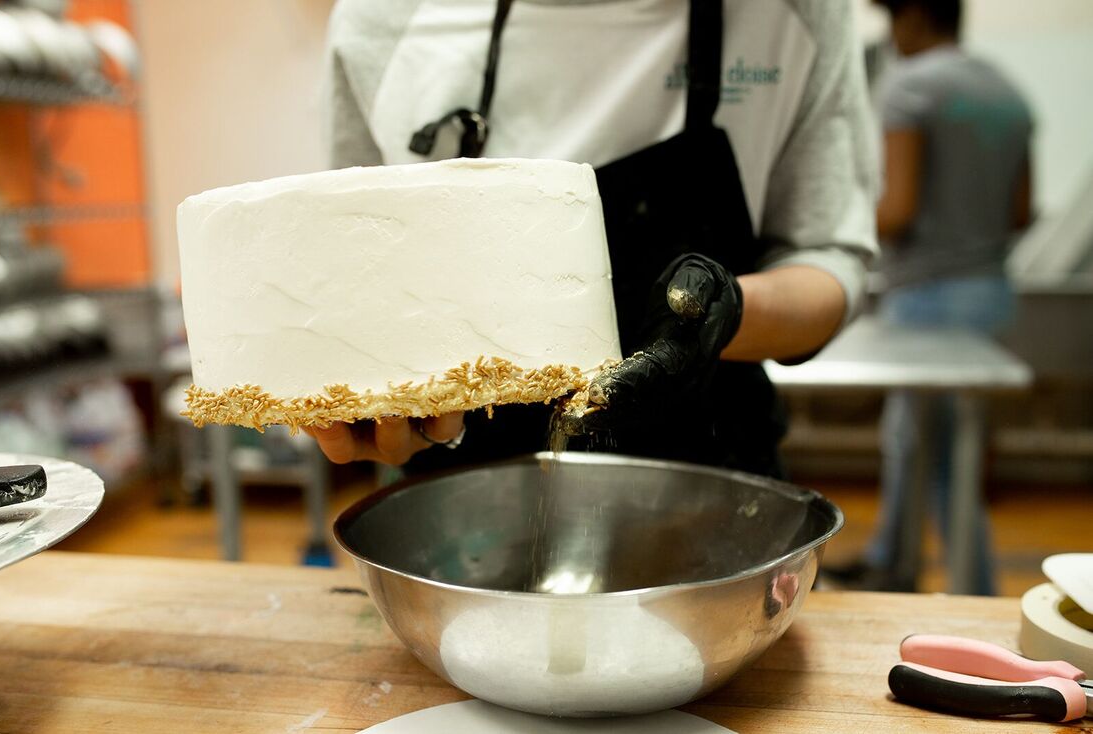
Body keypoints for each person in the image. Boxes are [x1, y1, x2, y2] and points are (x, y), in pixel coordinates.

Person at [308, 0, 879, 478]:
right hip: (462, 499)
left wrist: (723, 315)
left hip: (712, 483)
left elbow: (828, 256)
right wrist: (383, 407)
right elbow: (362, 270)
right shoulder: (384, 18)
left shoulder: (792, 13)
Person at [833, 0, 1033, 594]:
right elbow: (1021, 210)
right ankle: (891, 560)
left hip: (926, 295)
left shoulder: (909, 86)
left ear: (915, 17)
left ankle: (980, 595)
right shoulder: (1007, 91)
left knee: (941, 462)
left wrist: (827, 222)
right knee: (920, 442)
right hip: (990, 290)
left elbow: (896, 210)